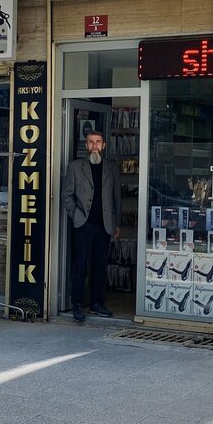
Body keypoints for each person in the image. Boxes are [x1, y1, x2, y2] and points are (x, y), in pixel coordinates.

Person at [61, 130, 122, 322]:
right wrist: (76, 216)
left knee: (100, 266)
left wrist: (117, 223)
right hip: (84, 224)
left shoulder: (112, 168)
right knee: (80, 265)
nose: (94, 145)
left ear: (104, 146)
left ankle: (97, 303)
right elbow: (67, 195)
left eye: (98, 142)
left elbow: (117, 198)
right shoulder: (75, 167)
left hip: (105, 225)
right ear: (86, 145)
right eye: (91, 142)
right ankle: (77, 305)